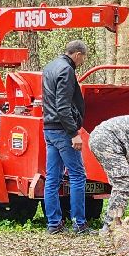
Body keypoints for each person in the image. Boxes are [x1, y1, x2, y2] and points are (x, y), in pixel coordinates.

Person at [41, 39, 89, 233]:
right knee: (78, 175)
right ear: (77, 54)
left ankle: (54, 223)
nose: (82, 62)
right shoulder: (67, 70)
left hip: (49, 128)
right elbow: (62, 106)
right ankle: (79, 223)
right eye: (83, 58)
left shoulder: (50, 67)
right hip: (62, 130)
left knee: (52, 178)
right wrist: (74, 133)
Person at [87, 114, 129, 225]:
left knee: (122, 183)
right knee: (124, 184)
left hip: (103, 138)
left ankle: (111, 223)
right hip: (106, 141)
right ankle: (109, 225)